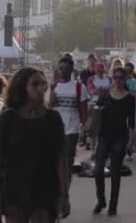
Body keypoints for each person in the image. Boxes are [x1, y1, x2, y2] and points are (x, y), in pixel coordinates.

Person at [0, 67, 67, 223]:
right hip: (14, 189)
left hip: (45, 189)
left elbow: (61, 159)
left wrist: (64, 194)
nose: (40, 88)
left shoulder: (53, 119)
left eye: (43, 84)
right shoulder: (8, 118)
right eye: (35, 84)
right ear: (22, 87)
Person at [92, 67, 135, 216]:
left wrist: (130, 142)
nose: (117, 80)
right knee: (98, 170)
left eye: (120, 78)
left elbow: (132, 123)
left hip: (120, 138)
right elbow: (96, 115)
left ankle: (113, 205)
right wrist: (93, 137)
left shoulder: (130, 98)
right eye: (115, 77)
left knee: (115, 172)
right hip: (104, 136)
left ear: (125, 80)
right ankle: (101, 200)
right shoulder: (105, 95)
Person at [51, 57, 89, 217]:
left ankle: (64, 196)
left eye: (66, 68)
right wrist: (52, 88)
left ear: (72, 69)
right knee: (54, 164)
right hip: (55, 130)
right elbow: (50, 105)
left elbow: (85, 111)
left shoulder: (79, 87)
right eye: (61, 68)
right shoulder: (56, 86)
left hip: (71, 130)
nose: (63, 71)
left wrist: (83, 130)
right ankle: (59, 195)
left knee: (66, 164)